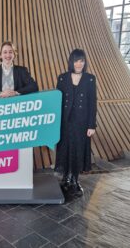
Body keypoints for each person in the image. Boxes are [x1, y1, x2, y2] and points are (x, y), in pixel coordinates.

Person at [55, 49, 97, 197]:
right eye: (76, 60)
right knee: (65, 149)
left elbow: (92, 103)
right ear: (71, 62)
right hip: (64, 122)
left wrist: (92, 125)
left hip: (82, 122)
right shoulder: (62, 78)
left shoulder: (90, 79)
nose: (79, 64)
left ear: (84, 62)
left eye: (81, 61)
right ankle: (66, 177)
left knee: (78, 150)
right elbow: (56, 101)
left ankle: (75, 178)